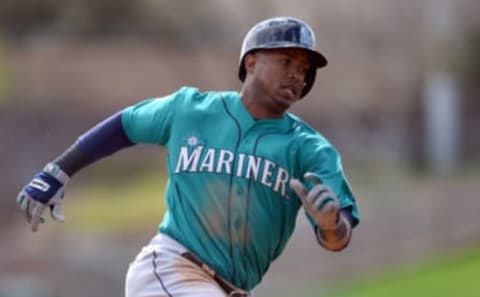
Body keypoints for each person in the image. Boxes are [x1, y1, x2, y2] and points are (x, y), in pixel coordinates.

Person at [16, 16, 360, 297]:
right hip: (171, 267)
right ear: (251, 62)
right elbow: (124, 125)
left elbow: (337, 239)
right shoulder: (190, 110)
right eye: (287, 61)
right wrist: (58, 171)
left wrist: (331, 225)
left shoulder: (311, 150)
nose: (297, 74)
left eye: (304, 69)